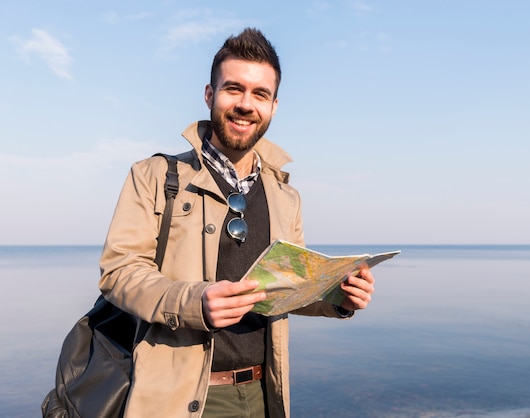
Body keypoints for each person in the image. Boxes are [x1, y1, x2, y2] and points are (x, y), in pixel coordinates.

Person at [99, 27, 375, 418]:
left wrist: (337, 298)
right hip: (174, 399)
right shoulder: (155, 176)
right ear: (210, 95)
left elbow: (285, 289)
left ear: (274, 106)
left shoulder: (285, 196)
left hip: (265, 393)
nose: (246, 104)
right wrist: (195, 302)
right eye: (234, 89)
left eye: (260, 94)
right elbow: (119, 272)